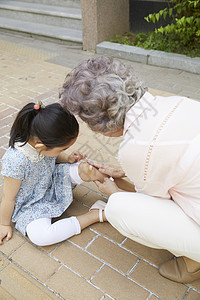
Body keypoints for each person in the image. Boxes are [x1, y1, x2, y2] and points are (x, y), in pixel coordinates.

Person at [59, 56, 200, 283]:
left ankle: (194, 261)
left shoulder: (134, 148)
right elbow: (175, 159)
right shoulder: (174, 102)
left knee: (118, 208)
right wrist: (126, 171)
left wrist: (112, 192)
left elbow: (151, 205)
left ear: (99, 124)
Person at [0, 102, 107, 247]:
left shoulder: (42, 141)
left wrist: (67, 158)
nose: (65, 150)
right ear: (41, 146)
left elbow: (52, 155)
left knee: (86, 169)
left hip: (52, 180)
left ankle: (115, 192)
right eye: (63, 148)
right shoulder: (16, 161)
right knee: (42, 237)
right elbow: (9, 197)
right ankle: (94, 215)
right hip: (31, 204)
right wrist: (4, 224)